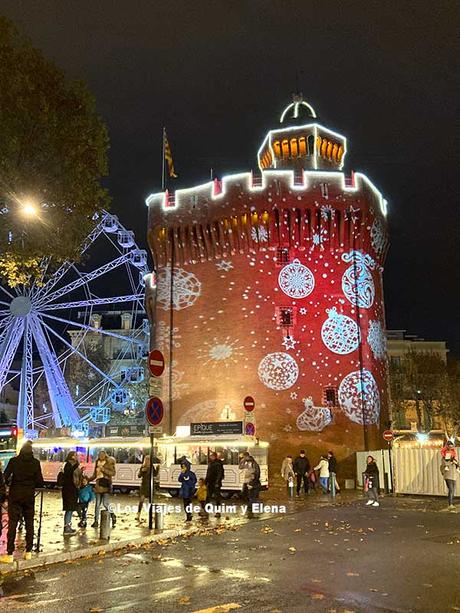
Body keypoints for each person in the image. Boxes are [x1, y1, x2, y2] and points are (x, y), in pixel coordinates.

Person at [1, 441, 44, 563]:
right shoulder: (35, 463)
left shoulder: (14, 461)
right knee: (29, 523)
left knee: (13, 523)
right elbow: (40, 481)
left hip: (15, 496)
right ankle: (28, 551)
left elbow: (6, 476)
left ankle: (9, 553)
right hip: (29, 496)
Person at [90, 450, 116, 528]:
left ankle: (112, 515)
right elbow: (95, 475)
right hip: (98, 485)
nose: (101, 456)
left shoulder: (109, 462)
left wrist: (103, 470)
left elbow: (113, 473)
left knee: (105, 503)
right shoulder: (97, 462)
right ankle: (96, 521)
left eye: (102, 455)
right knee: (97, 504)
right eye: (99, 454)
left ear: (105, 455)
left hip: (105, 485)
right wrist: (88, 479)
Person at [62, 451, 82, 535]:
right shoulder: (68, 465)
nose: (77, 456)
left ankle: (68, 526)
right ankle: (67, 527)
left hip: (73, 489)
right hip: (69, 490)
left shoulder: (73, 465)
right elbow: (69, 473)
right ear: (72, 456)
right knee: (69, 509)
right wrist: (76, 465)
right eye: (75, 455)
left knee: (70, 509)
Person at [205, 452, 225, 517]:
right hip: (212, 482)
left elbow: (219, 474)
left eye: (211, 456)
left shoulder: (216, 464)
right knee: (209, 497)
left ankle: (216, 511)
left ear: (214, 456)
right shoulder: (214, 463)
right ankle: (208, 510)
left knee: (215, 497)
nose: (210, 457)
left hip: (214, 482)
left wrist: (217, 482)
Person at [440, 445, 459, 510]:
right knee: (451, 489)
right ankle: (450, 504)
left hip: (453, 475)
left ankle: (451, 503)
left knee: (453, 490)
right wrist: (451, 462)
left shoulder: (454, 457)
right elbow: (445, 464)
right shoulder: (445, 457)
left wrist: (456, 463)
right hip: (448, 475)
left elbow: (457, 465)